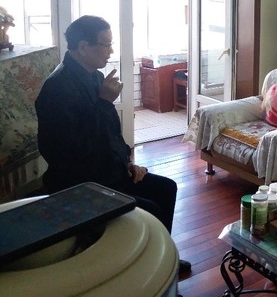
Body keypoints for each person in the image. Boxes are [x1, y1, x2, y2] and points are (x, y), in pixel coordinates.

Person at [35, 15, 191, 276]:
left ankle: (159, 257)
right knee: (149, 209)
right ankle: (143, 269)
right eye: (106, 45)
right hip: (81, 182)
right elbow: (73, 150)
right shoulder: (57, 89)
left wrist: (127, 163)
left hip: (107, 171)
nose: (111, 51)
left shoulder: (95, 77)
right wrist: (104, 103)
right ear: (83, 47)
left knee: (166, 188)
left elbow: (109, 133)